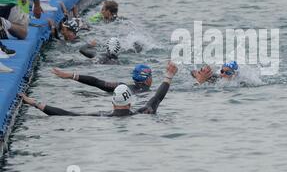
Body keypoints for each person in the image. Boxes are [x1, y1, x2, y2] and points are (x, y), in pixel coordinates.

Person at [20, 61, 178, 117]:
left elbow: (67, 114)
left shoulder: (101, 115)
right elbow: (157, 98)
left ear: (112, 101)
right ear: (130, 102)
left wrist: (35, 103)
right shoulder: (142, 112)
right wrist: (169, 76)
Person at [51, 64, 153, 94]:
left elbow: (96, 82)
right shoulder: (151, 93)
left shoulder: (123, 87)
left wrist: (70, 75)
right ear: (147, 79)